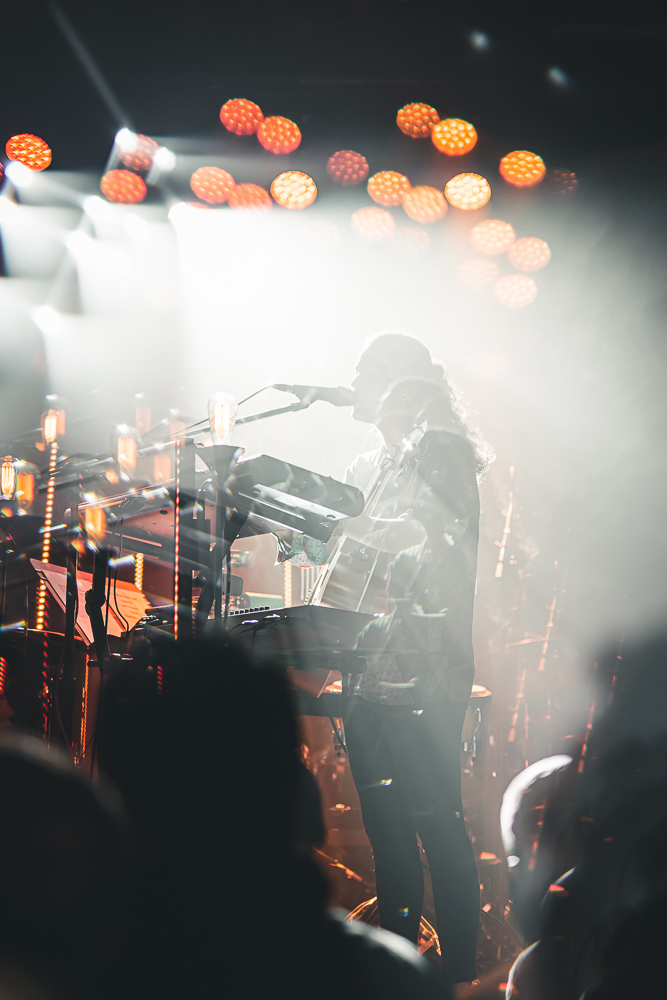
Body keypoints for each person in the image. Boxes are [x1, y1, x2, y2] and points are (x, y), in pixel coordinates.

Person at [280, 332, 487, 985]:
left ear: (400, 385)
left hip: (425, 670)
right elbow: (335, 558)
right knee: (388, 834)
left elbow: (424, 542)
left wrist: (348, 531)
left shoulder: (442, 452)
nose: (355, 385)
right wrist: (293, 530)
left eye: (366, 375)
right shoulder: (369, 464)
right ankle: (398, 976)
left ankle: (456, 977)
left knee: (437, 825)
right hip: (369, 667)